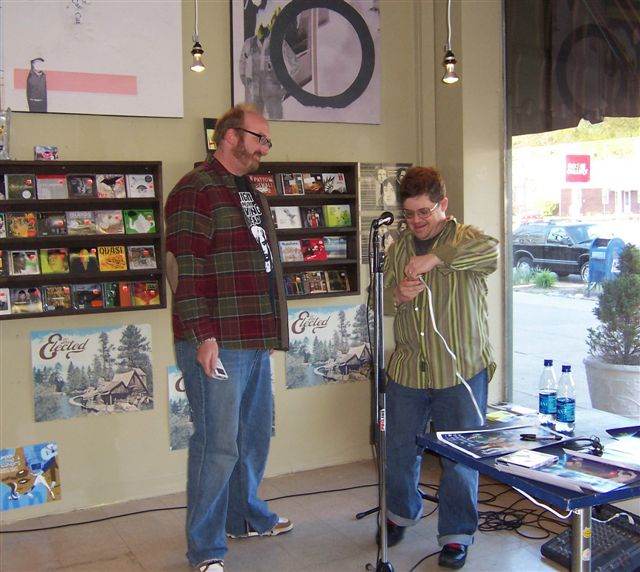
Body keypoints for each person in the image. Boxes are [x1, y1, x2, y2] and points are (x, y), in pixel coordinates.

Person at [165, 104, 291, 572]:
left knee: (253, 436)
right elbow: (187, 270)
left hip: (254, 338)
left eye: (266, 141)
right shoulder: (194, 190)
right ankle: (206, 548)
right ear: (231, 136)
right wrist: (202, 336)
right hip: (218, 340)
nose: (264, 148)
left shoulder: (248, 191)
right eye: (260, 138)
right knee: (217, 445)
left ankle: (246, 516)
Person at [381, 166, 499, 569]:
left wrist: (434, 258)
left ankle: (455, 535)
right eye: (409, 213)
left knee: (460, 459)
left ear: (443, 205)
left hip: (460, 371)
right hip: (409, 370)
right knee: (398, 451)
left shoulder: (467, 239)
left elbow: (492, 253)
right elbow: (381, 300)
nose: (415, 221)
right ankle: (399, 515)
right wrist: (396, 294)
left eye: (424, 212)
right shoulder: (397, 248)